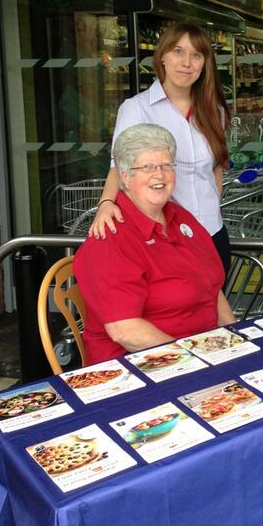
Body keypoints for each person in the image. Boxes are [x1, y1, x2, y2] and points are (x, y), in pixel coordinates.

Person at [75, 124, 235, 364]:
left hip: (202, 351)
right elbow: (125, 331)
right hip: (139, 365)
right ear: (126, 177)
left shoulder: (182, 218)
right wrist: (194, 360)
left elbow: (212, 290)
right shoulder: (110, 239)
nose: (159, 175)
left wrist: (235, 339)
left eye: (166, 165)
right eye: (147, 167)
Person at [89, 21, 232, 275]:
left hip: (212, 234)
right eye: (178, 51)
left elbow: (215, 170)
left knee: (216, 300)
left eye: (196, 55)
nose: (186, 62)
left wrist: (211, 210)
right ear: (162, 57)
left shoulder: (214, 111)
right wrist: (106, 204)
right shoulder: (137, 109)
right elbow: (119, 169)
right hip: (167, 239)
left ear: (204, 64)